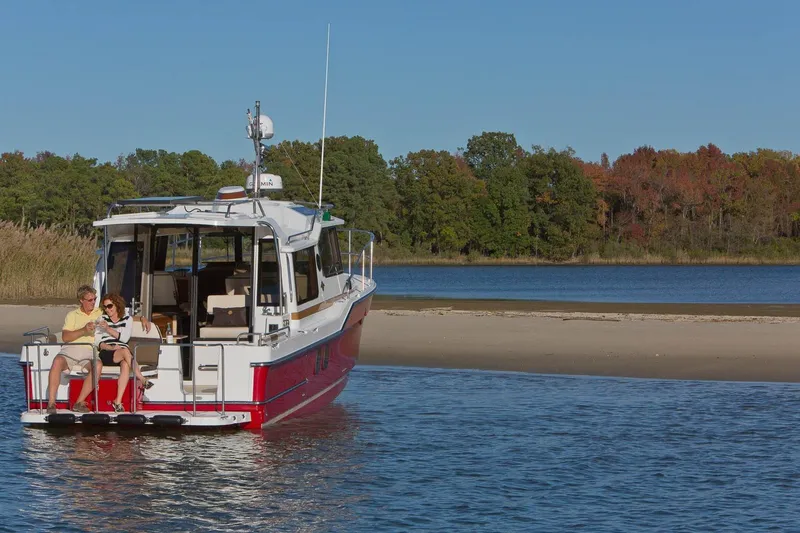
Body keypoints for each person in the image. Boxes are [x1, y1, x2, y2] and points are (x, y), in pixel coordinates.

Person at [45, 285, 151, 414]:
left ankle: (79, 403)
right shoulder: (72, 315)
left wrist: (142, 318)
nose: (93, 302)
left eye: (94, 299)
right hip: (71, 349)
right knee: (57, 362)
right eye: (90, 300)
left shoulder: (99, 313)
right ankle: (51, 404)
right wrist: (83, 330)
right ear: (81, 301)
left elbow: (118, 314)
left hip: (90, 350)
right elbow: (65, 337)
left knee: (98, 365)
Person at [93, 293, 154, 413]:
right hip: (107, 352)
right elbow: (97, 341)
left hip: (122, 352)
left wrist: (108, 329)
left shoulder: (127, 319)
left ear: (117, 305)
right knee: (126, 352)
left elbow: (124, 339)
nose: (107, 309)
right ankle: (141, 378)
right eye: (105, 307)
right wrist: (110, 347)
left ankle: (118, 402)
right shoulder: (102, 319)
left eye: (110, 306)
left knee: (126, 364)